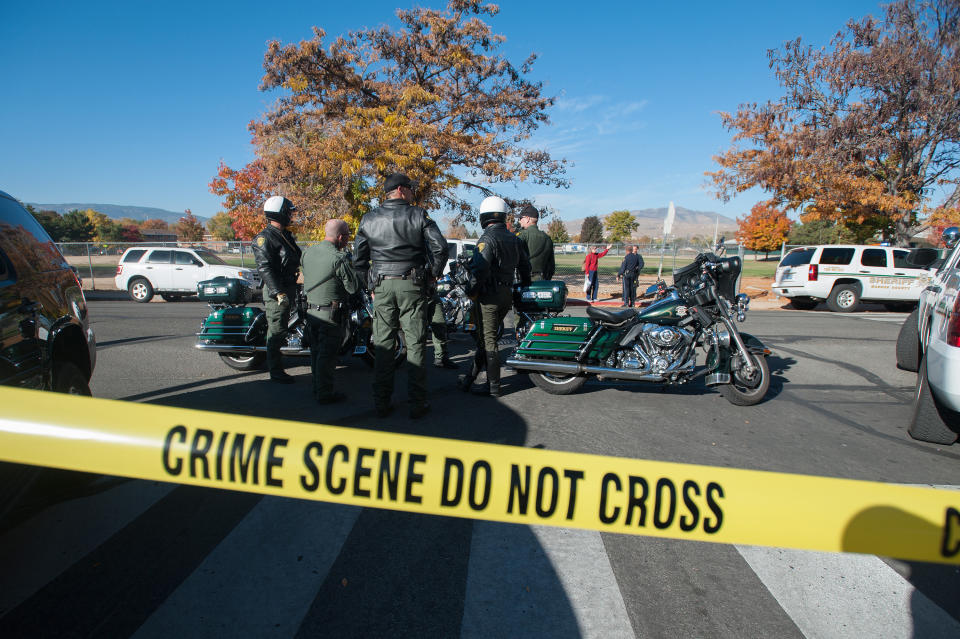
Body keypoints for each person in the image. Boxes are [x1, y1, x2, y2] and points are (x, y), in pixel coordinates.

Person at [354, 173, 447, 418]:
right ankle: (417, 403)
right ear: (400, 190)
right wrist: (433, 275)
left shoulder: (369, 218)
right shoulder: (418, 214)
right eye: (410, 188)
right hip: (411, 284)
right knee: (415, 343)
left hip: (382, 286)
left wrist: (371, 286)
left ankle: (381, 402)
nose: (413, 192)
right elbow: (440, 247)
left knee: (383, 345)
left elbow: (359, 260)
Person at [458, 196, 531, 397]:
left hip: (489, 296)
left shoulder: (487, 239)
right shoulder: (515, 239)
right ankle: (469, 379)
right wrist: (521, 286)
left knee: (489, 340)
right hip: (506, 293)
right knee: (485, 339)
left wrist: (470, 291)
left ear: (484, 216)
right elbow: (526, 267)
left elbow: (479, 270)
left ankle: (493, 387)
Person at [301, 218, 361, 404]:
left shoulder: (307, 253)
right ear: (341, 237)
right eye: (348, 236)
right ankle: (324, 393)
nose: (348, 239)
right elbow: (353, 287)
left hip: (311, 311)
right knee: (327, 356)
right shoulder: (339, 258)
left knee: (316, 352)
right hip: (331, 314)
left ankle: (317, 387)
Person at [252, 195, 302, 383]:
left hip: (289, 286)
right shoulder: (265, 239)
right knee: (277, 329)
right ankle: (276, 370)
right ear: (279, 213)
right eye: (288, 212)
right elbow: (264, 267)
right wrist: (278, 292)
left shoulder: (284, 235)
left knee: (288, 325)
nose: (291, 215)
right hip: (277, 291)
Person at [516, 204, 555, 280]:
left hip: (525, 281)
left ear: (527, 219)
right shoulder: (547, 238)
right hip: (543, 282)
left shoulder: (523, 235)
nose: (519, 221)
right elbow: (551, 267)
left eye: (521, 218)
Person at [427, 292, 458, 369]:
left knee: (439, 324)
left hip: (430, 293)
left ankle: (441, 358)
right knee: (416, 330)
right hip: (414, 291)